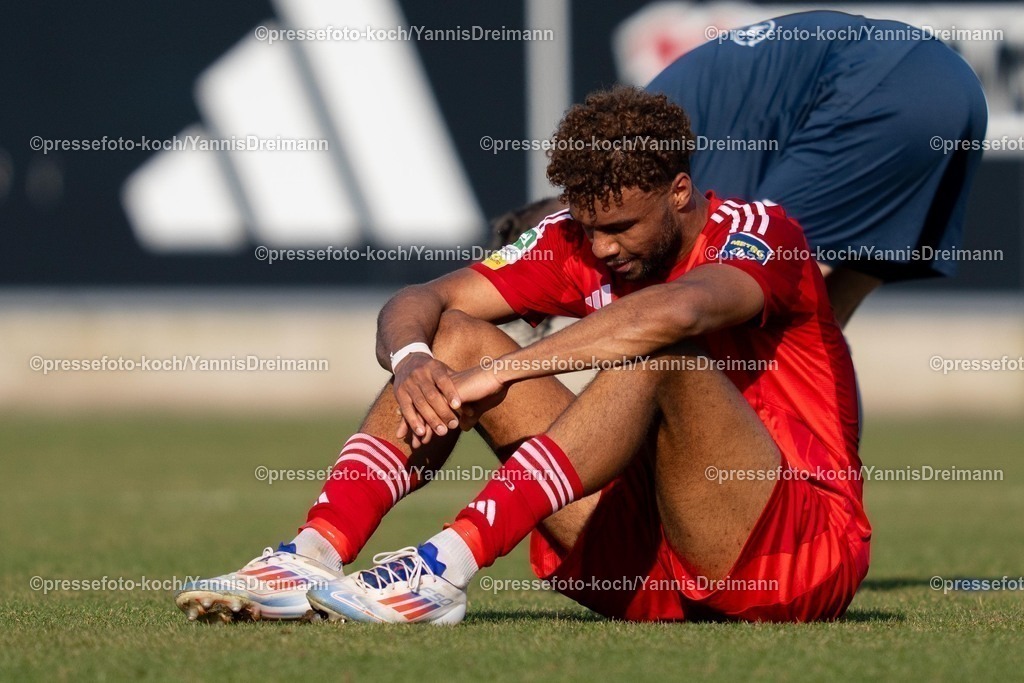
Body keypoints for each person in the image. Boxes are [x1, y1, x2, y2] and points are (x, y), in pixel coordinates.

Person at [177, 86, 869, 624]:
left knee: (664, 348)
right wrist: (415, 357)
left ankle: (444, 567)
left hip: (793, 553)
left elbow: (676, 312)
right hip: (642, 560)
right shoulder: (578, 240)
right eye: (591, 228)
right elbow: (419, 296)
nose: (601, 248)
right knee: (454, 333)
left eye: (621, 226)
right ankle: (311, 555)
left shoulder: (759, 233)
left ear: (679, 192)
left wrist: (501, 372)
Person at [499, 11, 988, 328]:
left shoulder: (658, 155)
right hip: (955, 87)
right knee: (815, 324)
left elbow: (692, 306)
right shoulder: (657, 134)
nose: (605, 251)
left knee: (744, 302)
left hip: (882, 92)